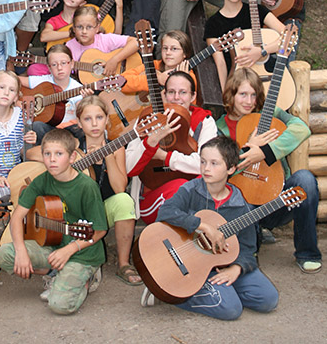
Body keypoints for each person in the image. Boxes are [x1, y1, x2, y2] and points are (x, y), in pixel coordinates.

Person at [142, 135, 279, 318]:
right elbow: (165, 212)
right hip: (193, 265)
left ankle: (213, 289)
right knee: (231, 309)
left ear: (230, 169)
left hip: (222, 262)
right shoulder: (190, 189)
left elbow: (248, 248)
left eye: (214, 163)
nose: (206, 168)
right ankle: (170, 293)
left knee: (267, 299)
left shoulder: (240, 206)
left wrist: (236, 269)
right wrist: (201, 225)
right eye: (203, 162)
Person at [217, 68, 322, 273]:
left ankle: (307, 253)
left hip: (277, 201)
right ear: (231, 94)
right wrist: (248, 149)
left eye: (253, 95)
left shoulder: (269, 114)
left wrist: (266, 151)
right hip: (243, 207)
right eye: (243, 94)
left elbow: (301, 128)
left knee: (306, 180)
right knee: (248, 249)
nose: (249, 101)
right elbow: (222, 171)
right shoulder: (220, 127)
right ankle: (251, 246)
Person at [0, 128, 107, 315]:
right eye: (47, 154)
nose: (52, 159)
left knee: (59, 305)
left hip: (82, 252)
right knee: (4, 254)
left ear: (72, 158)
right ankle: (54, 273)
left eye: (58, 154)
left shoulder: (87, 187)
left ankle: (87, 279)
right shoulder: (42, 181)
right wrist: (21, 251)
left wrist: (70, 249)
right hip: (51, 245)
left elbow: (99, 230)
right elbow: (17, 218)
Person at [126, 70, 217, 224]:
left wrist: (165, 157)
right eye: (171, 92)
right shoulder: (147, 118)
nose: (176, 98)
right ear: (164, 94)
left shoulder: (204, 121)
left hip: (192, 194)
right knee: (182, 189)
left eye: (183, 92)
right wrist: (150, 143)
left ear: (193, 96)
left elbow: (207, 165)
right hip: (152, 198)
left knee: (193, 187)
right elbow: (129, 167)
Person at [75, 96, 142, 285]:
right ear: (79, 123)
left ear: (106, 119)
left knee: (125, 201)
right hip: (79, 210)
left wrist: (108, 157)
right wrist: (77, 160)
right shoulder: (73, 145)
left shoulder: (116, 146)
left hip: (104, 208)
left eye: (99, 117)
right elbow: (35, 153)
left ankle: (123, 264)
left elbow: (120, 188)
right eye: (88, 119)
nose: (94, 123)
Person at [204, 0, 285, 89]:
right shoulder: (213, 24)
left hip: (265, 76)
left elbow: (289, 36)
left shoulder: (256, 11)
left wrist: (262, 51)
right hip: (237, 81)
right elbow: (220, 64)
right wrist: (225, 93)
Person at [0, 70, 36, 194]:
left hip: (18, 175)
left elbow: (21, 152)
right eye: (1, 87)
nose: (6, 92)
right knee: (4, 193)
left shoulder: (21, 116)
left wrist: (29, 143)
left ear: (16, 97)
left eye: (12, 90)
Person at [19, 44, 87, 143]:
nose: (59, 68)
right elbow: (14, 80)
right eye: (54, 64)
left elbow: (81, 113)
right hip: (48, 130)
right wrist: (18, 101)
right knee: (36, 126)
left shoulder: (77, 88)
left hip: (68, 132)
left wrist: (86, 102)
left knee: (81, 129)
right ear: (49, 68)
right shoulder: (43, 81)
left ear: (72, 64)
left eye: (64, 63)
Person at [66, 5, 139, 79]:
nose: (84, 31)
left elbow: (136, 42)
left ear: (97, 28)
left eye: (89, 27)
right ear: (74, 28)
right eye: (79, 27)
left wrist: (115, 60)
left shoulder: (105, 39)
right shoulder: (69, 46)